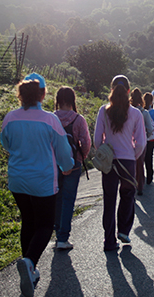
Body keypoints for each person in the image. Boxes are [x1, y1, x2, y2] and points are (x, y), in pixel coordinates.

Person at [0, 73, 74, 297]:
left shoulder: (10, 118)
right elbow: (63, 151)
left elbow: (6, 143)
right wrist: (67, 166)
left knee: (28, 221)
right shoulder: (50, 120)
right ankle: (29, 262)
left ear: (20, 95)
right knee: (45, 224)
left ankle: (29, 270)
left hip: (17, 180)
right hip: (42, 180)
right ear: (43, 95)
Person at [94, 75, 146, 251]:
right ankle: (123, 231)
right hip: (128, 162)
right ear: (129, 91)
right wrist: (132, 155)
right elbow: (140, 143)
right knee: (128, 195)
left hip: (109, 162)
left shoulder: (104, 110)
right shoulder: (136, 113)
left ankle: (109, 241)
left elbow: (96, 140)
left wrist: (104, 151)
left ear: (111, 89)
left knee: (109, 201)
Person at [53, 86, 92, 250]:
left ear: (58, 100)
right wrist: (81, 157)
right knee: (69, 199)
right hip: (73, 163)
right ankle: (63, 237)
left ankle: (56, 232)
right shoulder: (79, 119)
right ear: (72, 100)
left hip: (54, 164)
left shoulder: (51, 118)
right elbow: (86, 142)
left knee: (56, 198)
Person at [130, 88, 154, 195]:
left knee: (130, 164)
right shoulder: (144, 113)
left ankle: (130, 185)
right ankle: (140, 186)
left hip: (128, 141)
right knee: (140, 164)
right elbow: (150, 128)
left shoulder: (127, 111)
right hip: (141, 141)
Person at [143, 91, 154, 185]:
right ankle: (149, 175)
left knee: (141, 158)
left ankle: (140, 177)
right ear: (151, 102)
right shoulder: (153, 113)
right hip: (151, 139)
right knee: (149, 158)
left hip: (141, 138)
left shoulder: (139, 111)